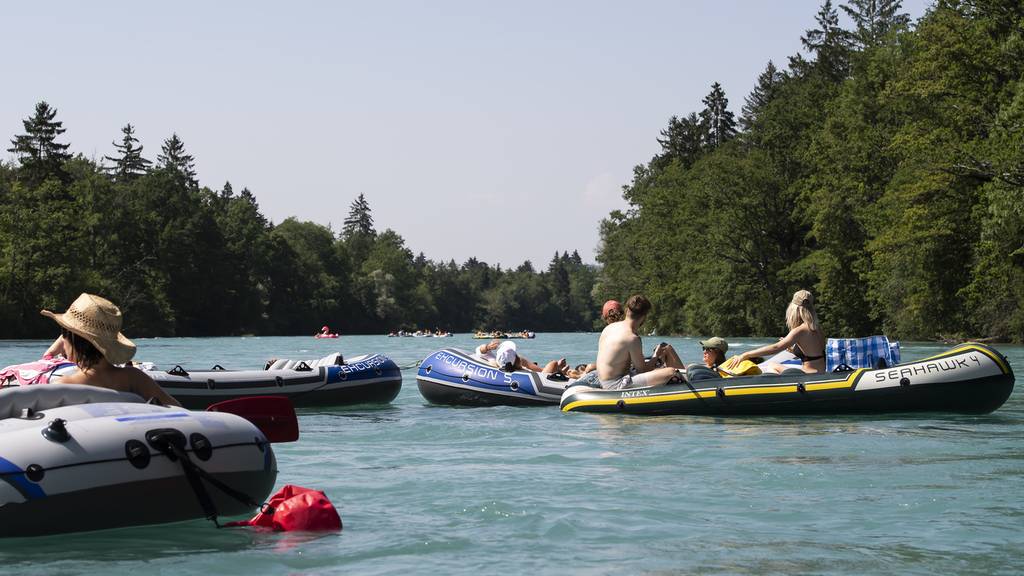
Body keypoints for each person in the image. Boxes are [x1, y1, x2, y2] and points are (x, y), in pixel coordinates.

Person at [41, 293, 181, 406]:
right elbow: (177, 409)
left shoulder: (64, 386)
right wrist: (70, 334)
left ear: (71, 340)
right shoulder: (135, 378)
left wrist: (69, 336)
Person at [724, 289, 826, 374]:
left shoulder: (800, 330)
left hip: (809, 374)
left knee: (772, 366)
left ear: (794, 309)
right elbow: (814, 353)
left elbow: (776, 348)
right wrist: (793, 350)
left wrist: (746, 355)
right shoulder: (817, 328)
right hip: (820, 373)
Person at [595, 294, 680, 389]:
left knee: (661, 366)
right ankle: (688, 387)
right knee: (671, 372)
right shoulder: (632, 338)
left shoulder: (609, 328)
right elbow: (642, 370)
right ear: (644, 317)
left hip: (605, 380)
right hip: (615, 384)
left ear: (627, 310)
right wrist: (656, 355)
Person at [475, 340, 566, 374]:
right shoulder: (521, 369)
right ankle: (559, 371)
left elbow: (479, 350)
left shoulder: (496, 361)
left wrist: (488, 347)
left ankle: (560, 371)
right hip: (541, 378)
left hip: (531, 371)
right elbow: (544, 375)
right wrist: (556, 366)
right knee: (553, 363)